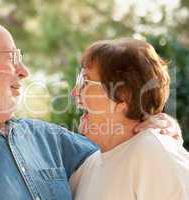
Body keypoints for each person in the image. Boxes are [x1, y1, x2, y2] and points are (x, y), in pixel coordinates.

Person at [0, 17, 181, 200]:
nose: (24, 71)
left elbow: (122, 149)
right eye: (12, 57)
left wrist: (159, 121)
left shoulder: (49, 139)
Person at [70, 38, 189, 200]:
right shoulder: (87, 167)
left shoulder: (154, 153)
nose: (74, 93)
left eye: (85, 81)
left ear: (123, 95)